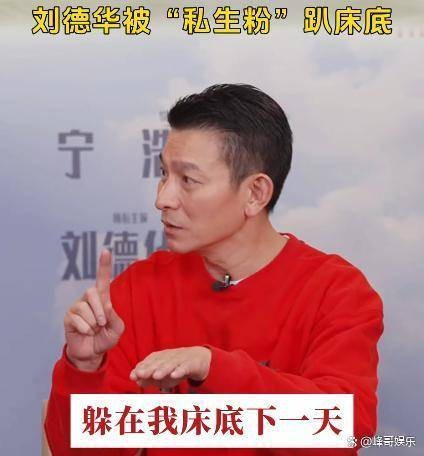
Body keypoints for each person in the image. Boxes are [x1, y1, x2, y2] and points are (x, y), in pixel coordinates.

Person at [44, 84, 384, 455]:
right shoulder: (140, 288)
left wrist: (212, 368)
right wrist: (84, 367)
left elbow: (344, 429)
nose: (162, 199)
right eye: (164, 174)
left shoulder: (336, 291)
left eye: (188, 180)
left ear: (255, 193)